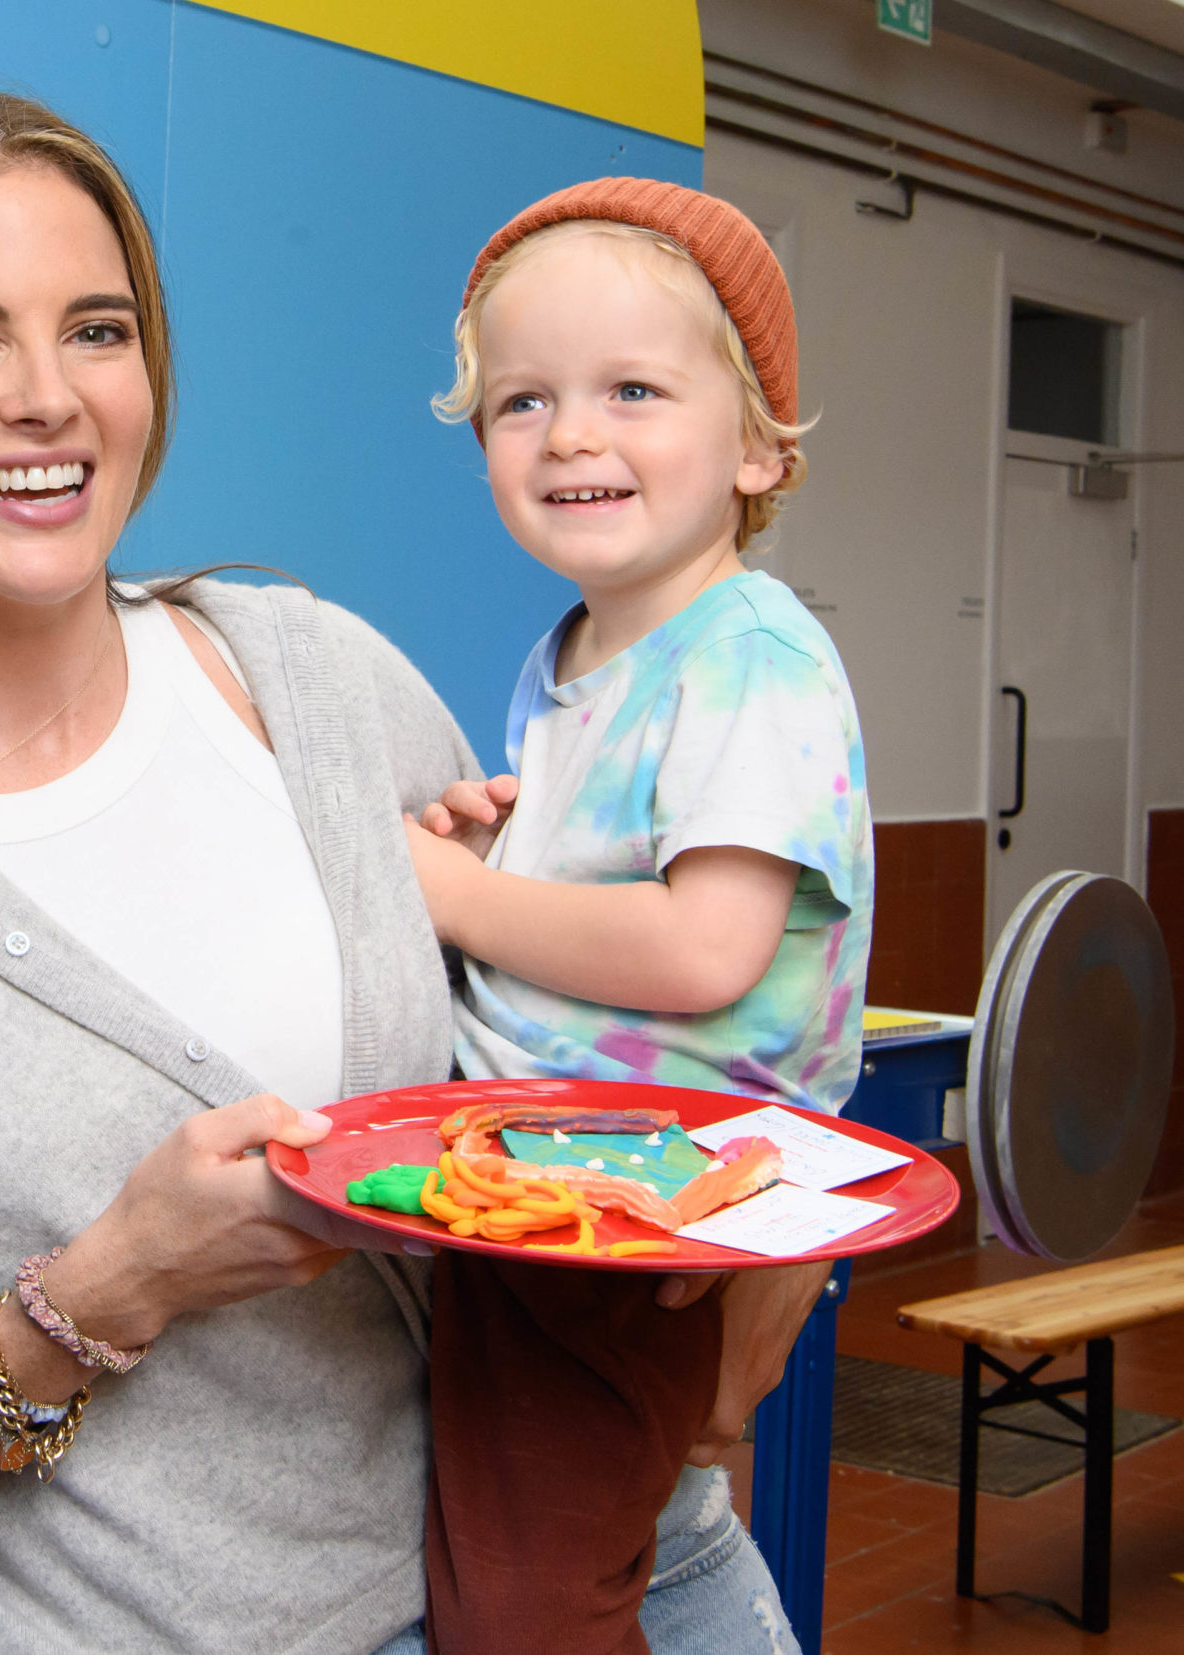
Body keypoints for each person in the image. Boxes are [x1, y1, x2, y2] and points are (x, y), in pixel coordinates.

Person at [0, 98, 816, 1654]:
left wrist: (761, 1242)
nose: (49, 398)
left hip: (641, 1578)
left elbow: (611, 1055)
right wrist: (93, 1302)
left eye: (97, 331)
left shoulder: (320, 681)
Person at [403, 180, 872, 1655]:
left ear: (757, 449)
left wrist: (459, 895)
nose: (571, 435)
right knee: (601, 1551)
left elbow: (705, 947)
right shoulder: (582, 652)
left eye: (633, 391)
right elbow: (616, 882)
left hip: (645, 1202)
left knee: (526, 1610)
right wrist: (502, 844)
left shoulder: (748, 653)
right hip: (571, 1182)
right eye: (522, 401)